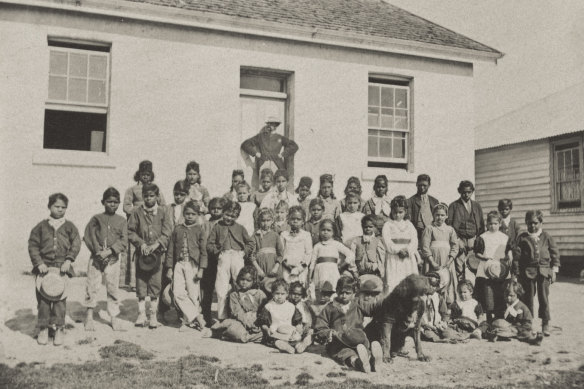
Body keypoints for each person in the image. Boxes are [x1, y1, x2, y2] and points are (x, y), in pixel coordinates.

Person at [28, 193, 81, 345]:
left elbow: (76, 243)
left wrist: (69, 260)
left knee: (59, 301)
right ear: (49, 206)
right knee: (44, 300)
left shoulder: (70, 226)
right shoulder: (41, 227)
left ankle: (58, 328)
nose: (60, 210)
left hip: (61, 267)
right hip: (44, 268)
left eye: (63, 207)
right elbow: (33, 245)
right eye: (57, 206)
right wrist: (39, 263)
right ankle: (44, 328)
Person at [314, 276, 383, 373]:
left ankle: (373, 361)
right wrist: (328, 333)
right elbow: (320, 326)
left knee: (364, 350)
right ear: (337, 291)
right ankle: (359, 363)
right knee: (347, 354)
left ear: (354, 293)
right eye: (341, 292)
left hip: (358, 340)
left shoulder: (358, 304)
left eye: (348, 293)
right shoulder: (330, 308)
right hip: (339, 342)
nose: (344, 295)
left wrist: (384, 303)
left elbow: (372, 309)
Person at [83, 187, 128, 332]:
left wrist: (110, 251)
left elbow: (124, 239)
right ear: (103, 202)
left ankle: (113, 317)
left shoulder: (121, 221)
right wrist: (98, 251)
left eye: (115, 202)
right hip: (96, 258)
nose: (112, 204)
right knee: (92, 286)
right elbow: (89, 235)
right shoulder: (96, 218)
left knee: (112, 287)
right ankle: (89, 316)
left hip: (112, 259)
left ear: (119, 203)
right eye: (109, 201)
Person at [128, 183, 173, 328]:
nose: (148, 199)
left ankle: (153, 316)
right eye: (146, 196)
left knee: (155, 283)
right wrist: (141, 244)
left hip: (157, 254)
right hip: (142, 254)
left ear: (157, 196)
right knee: (141, 284)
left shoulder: (163, 212)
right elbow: (130, 231)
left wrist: (156, 244)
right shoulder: (136, 212)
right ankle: (141, 315)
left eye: (151, 196)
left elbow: (167, 232)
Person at [512, 210, 560, 336]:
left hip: (544, 272)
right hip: (528, 272)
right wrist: (516, 274)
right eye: (529, 223)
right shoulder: (522, 238)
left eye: (535, 223)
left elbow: (555, 254)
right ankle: (527, 323)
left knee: (544, 298)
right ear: (526, 223)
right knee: (528, 298)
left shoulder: (546, 237)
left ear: (540, 222)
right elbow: (516, 257)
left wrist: (554, 270)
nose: (532, 226)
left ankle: (545, 323)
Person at [206, 200, 255, 320]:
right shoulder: (217, 227)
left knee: (240, 285)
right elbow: (209, 244)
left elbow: (250, 242)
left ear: (237, 216)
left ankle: (239, 314)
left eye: (233, 216)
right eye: (227, 215)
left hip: (238, 257)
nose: (229, 218)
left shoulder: (240, 228)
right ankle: (222, 316)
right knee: (221, 287)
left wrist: (244, 252)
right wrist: (218, 253)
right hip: (224, 257)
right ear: (223, 213)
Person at [122, 160, 166, 290]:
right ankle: (134, 283)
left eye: (148, 174)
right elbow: (126, 206)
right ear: (138, 174)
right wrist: (138, 211)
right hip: (138, 223)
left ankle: (152, 281)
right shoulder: (132, 189)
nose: (145, 176)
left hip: (152, 222)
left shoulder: (155, 189)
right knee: (138, 250)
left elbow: (163, 204)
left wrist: (155, 212)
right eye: (143, 174)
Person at [165, 201, 208, 331]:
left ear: (197, 215)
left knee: (193, 293)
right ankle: (197, 317)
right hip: (179, 264)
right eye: (187, 214)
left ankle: (187, 321)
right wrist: (169, 268)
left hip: (193, 265)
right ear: (183, 214)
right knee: (178, 293)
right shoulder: (177, 229)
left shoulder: (200, 230)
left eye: (193, 214)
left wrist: (201, 269)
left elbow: (203, 251)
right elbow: (171, 250)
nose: (190, 216)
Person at [203, 266, 267, 343]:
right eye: (242, 279)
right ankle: (224, 334)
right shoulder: (234, 295)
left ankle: (246, 337)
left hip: (257, 323)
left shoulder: (259, 294)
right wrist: (247, 323)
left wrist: (257, 323)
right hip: (241, 322)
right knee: (234, 329)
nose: (244, 282)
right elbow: (237, 312)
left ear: (254, 281)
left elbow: (264, 311)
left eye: (248, 280)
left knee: (266, 332)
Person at [474, 210, 513, 322]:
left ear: (500, 224)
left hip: (501, 268)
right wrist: (484, 258)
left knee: (500, 291)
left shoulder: (504, 237)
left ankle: (500, 317)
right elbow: (477, 253)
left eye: (495, 224)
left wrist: (509, 255)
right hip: (486, 267)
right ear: (487, 224)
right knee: (488, 292)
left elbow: (509, 249)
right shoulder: (483, 237)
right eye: (490, 224)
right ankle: (489, 317)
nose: (493, 226)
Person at [240, 116, 299, 189]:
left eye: (272, 124)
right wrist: (256, 153)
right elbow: (245, 144)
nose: (270, 125)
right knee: (263, 185)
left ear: (276, 125)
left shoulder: (280, 137)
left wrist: (282, 154)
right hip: (263, 163)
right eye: (269, 123)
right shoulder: (260, 137)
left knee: (277, 186)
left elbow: (294, 146)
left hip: (277, 165)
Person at [257, 279, 312, 354]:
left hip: (289, 331)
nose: (279, 296)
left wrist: (298, 326)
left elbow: (297, 320)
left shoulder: (291, 306)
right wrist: (266, 329)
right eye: (277, 293)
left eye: (282, 294)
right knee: (273, 340)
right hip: (276, 332)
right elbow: (263, 322)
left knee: (306, 333)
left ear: (287, 294)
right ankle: (285, 346)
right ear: (272, 293)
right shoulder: (269, 306)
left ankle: (301, 345)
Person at [420, 203, 458, 304]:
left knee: (447, 282)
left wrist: (450, 260)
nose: (439, 217)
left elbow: (455, 246)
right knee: (433, 281)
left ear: (446, 216)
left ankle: (447, 308)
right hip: (433, 260)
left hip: (446, 260)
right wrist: (432, 262)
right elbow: (425, 246)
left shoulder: (450, 229)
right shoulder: (429, 228)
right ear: (433, 215)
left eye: (442, 215)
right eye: (437, 215)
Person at [310, 219, 356, 301]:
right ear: (319, 231)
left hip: (332, 270)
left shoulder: (336, 244)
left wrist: (341, 265)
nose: (325, 232)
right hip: (319, 270)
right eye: (323, 230)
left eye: (329, 230)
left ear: (333, 232)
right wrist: (310, 276)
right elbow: (313, 262)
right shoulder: (317, 246)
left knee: (333, 290)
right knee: (320, 292)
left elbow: (351, 254)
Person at [447, 180, 485, 280]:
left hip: (474, 239)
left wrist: (478, 240)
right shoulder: (453, 206)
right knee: (460, 268)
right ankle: (461, 291)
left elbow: (481, 225)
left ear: (472, 191)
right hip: (459, 239)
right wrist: (458, 240)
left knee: (474, 266)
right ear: (459, 191)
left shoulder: (477, 206)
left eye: (469, 192)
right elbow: (449, 226)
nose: (466, 194)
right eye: (464, 192)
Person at [486, 280, 543, 345]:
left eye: (511, 295)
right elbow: (498, 316)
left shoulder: (522, 307)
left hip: (518, 329)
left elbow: (528, 322)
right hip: (504, 328)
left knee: (526, 333)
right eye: (506, 295)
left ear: (518, 295)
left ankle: (534, 340)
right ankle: (496, 336)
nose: (508, 298)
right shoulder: (503, 305)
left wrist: (519, 328)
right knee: (492, 327)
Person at [382, 196, 419, 293]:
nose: (397, 215)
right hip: (394, 257)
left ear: (405, 212)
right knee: (394, 282)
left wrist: (408, 250)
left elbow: (414, 241)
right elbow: (387, 241)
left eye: (400, 212)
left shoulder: (409, 225)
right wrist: (398, 250)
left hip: (407, 258)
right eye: (395, 212)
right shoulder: (388, 225)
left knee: (409, 282)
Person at [201, 197, 225, 326]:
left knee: (223, 289)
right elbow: (204, 243)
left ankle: (224, 316)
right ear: (209, 209)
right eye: (213, 208)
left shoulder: (225, 223)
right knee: (208, 289)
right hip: (209, 259)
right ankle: (206, 316)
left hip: (222, 259)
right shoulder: (205, 224)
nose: (216, 211)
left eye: (219, 208)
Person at [280, 206, 312, 285]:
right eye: (293, 219)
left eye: (298, 219)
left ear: (303, 221)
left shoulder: (306, 235)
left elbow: (308, 254)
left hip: (301, 270)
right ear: (288, 220)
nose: (295, 221)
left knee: (299, 290)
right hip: (286, 268)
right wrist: (287, 267)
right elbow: (281, 252)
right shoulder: (284, 235)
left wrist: (299, 269)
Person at [250, 208, 284, 282]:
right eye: (263, 221)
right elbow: (251, 255)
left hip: (273, 265)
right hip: (260, 266)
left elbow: (280, 253)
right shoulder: (255, 236)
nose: (265, 223)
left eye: (268, 220)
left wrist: (276, 267)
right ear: (259, 221)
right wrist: (258, 269)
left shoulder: (275, 235)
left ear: (272, 221)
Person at [406, 174, 439, 246]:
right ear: (416, 184)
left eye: (424, 185)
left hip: (431, 233)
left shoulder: (434, 201)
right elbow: (408, 220)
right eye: (420, 185)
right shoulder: (410, 201)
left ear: (429, 185)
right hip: (417, 234)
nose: (422, 187)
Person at [288, 281, 314, 350]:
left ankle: (303, 344)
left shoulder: (303, 305)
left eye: (299, 294)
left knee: (310, 333)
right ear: (290, 293)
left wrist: (305, 328)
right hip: (291, 329)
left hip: (302, 329)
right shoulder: (287, 304)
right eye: (294, 293)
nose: (296, 296)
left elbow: (308, 321)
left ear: (302, 295)